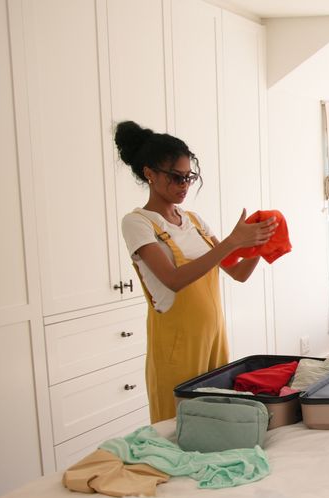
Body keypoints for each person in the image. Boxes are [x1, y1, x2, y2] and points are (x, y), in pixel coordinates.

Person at [114, 120, 277, 422]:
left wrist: (260, 243)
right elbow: (173, 280)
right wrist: (231, 241)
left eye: (189, 177)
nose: (184, 186)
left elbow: (237, 273)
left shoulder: (195, 221)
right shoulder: (138, 223)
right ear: (149, 174)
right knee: (179, 423)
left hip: (214, 337)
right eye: (176, 178)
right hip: (177, 344)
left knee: (214, 420)